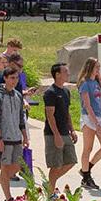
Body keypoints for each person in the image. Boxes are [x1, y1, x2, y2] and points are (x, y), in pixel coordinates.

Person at [0, 66, 29, 201]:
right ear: (5, 78)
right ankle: (8, 197)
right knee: (4, 168)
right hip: (4, 137)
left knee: (16, 167)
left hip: (16, 136)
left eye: (16, 78)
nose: (14, 81)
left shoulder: (17, 95)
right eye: (11, 78)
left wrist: (25, 135)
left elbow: (21, 118)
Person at [41, 62, 77, 191]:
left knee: (71, 161)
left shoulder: (66, 91)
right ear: (57, 74)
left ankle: (49, 184)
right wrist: (56, 135)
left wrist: (72, 130)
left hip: (65, 132)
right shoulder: (50, 93)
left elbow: (67, 113)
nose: (68, 74)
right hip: (52, 134)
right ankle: (50, 191)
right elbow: (50, 116)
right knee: (55, 165)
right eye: (65, 72)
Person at [75, 57, 101, 190]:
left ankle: (86, 168)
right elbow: (87, 105)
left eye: (99, 68)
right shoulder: (84, 83)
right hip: (89, 118)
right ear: (90, 68)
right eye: (96, 67)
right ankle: (86, 177)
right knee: (87, 148)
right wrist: (96, 124)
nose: (98, 70)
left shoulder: (96, 82)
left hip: (99, 117)